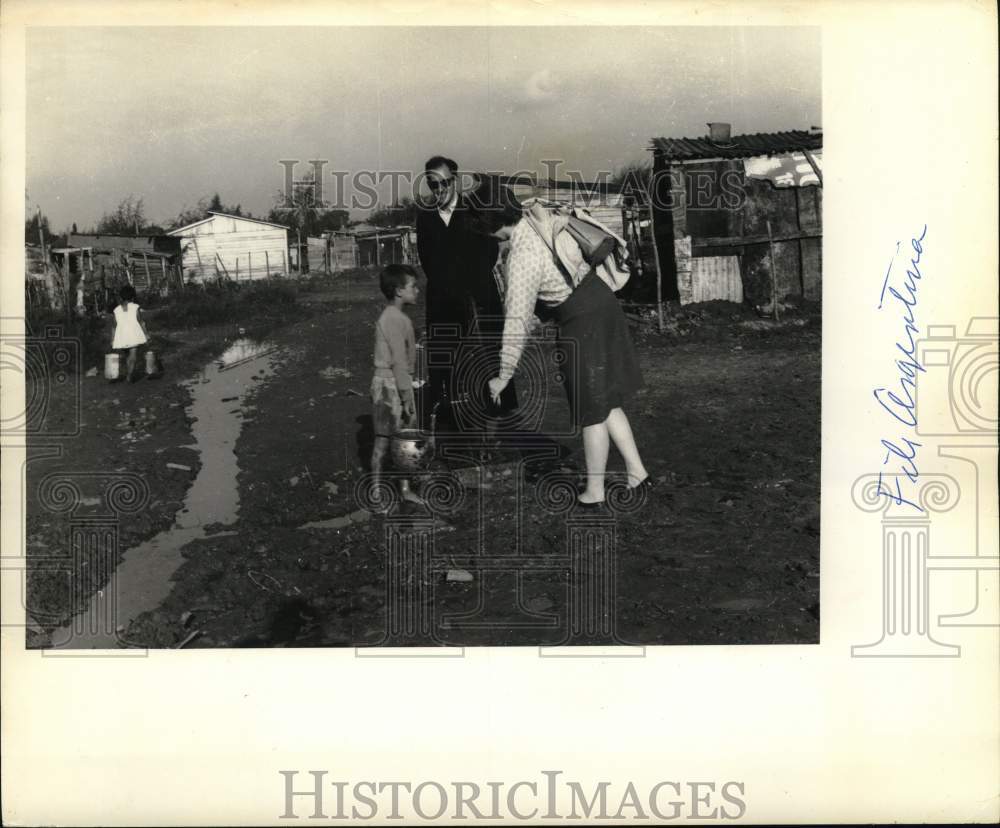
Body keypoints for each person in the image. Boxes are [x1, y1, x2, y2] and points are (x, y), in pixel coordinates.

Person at [468, 178, 653, 507]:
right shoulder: (536, 219)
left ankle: (595, 492)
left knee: (589, 409)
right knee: (605, 400)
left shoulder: (522, 258)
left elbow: (516, 321)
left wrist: (504, 374)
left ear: (490, 227)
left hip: (582, 319)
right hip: (600, 299)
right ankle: (637, 471)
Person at [416, 156, 517, 430]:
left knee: (490, 356)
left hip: (479, 296)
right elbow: (426, 259)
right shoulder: (425, 217)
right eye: (433, 185)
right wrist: (449, 286)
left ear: (455, 179)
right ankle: (451, 421)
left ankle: (502, 420)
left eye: (444, 184)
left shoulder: (475, 209)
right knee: (445, 362)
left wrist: (469, 283)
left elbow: (488, 252)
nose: (439, 191)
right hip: (443, 300)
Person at [370, 264, 423, 511]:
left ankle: (396, 490)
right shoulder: (394, 319)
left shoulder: (395, 318)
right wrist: (407, 397)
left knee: (396, 440)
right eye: (413, 286)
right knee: (390, 440)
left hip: (390, 382)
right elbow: (399, 363)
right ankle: (380, 492)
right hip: (391, 385)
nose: (418, 290)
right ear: (399, 291)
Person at [110, 284, 148, 382]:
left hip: (122, 336)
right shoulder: (135, 307)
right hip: (133, 334)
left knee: (128, 355)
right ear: (132, 296)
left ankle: (129, 373)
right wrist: (146, 334)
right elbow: (141, 322)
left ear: (121, 297)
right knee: (133, 356)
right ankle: (129, 375)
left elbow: (114, 326)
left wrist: (113, 339)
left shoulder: (116, 310)